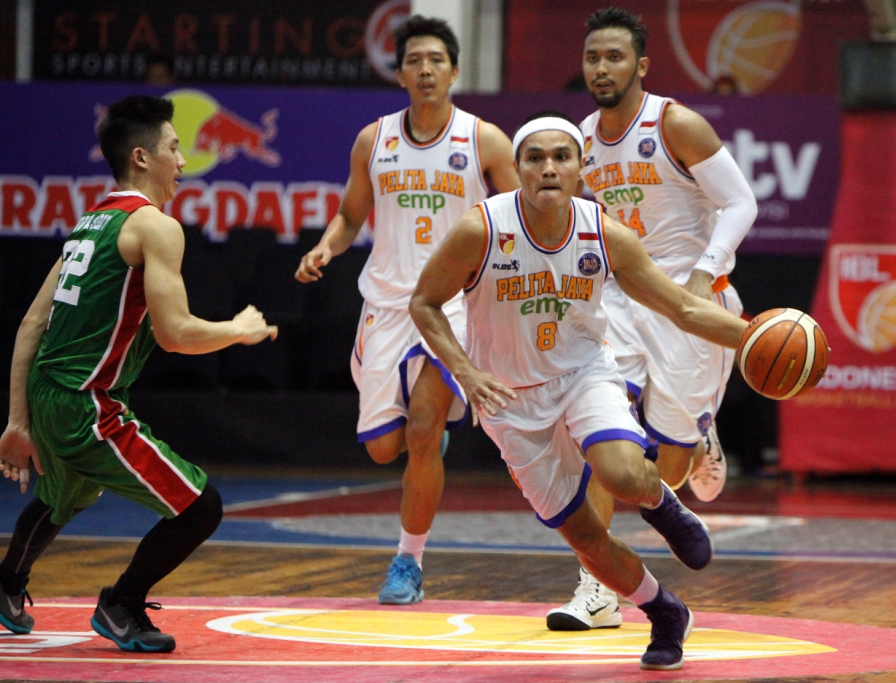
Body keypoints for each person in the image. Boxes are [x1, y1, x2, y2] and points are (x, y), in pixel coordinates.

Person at [408, 113, 749, 671]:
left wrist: (754, 337)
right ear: (517, 168)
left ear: (581, 168)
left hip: (582, 374)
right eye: (535, 158)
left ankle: (664, 506)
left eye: (561, 157)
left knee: (621, 473)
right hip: (511, 400)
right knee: (587, 540)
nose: (548, 168)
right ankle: (665, 611)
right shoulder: (480, 230)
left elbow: (684, 308)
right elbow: (423, 303)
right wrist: (465, 372)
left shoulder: (604, 232)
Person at [0, 95, 277, 652]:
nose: (183, 159)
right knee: (201, 506)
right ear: (142, 157)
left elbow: (31, 323)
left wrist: (17, 421)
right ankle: (121, 602)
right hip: (85, 402)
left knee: (66, 494)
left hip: (49, 393)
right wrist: (237, 329)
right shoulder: (155, 226)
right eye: (174, 147)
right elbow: (175, 334)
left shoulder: (90, 223)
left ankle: (6, 580)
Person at [294, 16, 518, 605]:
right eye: (414, 60)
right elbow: (351, 215)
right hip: (387, 304)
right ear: (399, 75)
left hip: (454, 306)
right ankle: (426, 447)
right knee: (382, 448)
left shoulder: (485, 140)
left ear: (454, 71)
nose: (425, 70)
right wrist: (326, 246)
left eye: (436, 60)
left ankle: (407, 562)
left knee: (421, 430)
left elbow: (518, 217)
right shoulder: (373, 141)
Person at [547, 7, 758, 630]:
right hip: (620, 298)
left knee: (669, 463)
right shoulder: (580, 139)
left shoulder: (675, 124)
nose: (601, 68)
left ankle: (699, 433)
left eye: (614, 57)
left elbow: (741, 202)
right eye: (592, 57)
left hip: (688, 301)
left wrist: (705, 272)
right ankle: (596, 590)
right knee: (601, 441)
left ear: (640, 65)